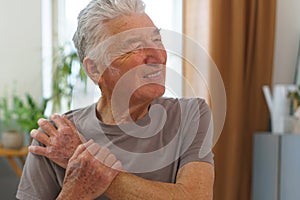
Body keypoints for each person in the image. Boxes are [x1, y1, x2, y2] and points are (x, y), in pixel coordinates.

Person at [17, 0, 215, 199]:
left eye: (156, 40)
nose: (158, 55)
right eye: (136, 46)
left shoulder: (191, 114)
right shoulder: (55, 138)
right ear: (95, 69)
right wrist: (74, 191)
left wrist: (86, 162)